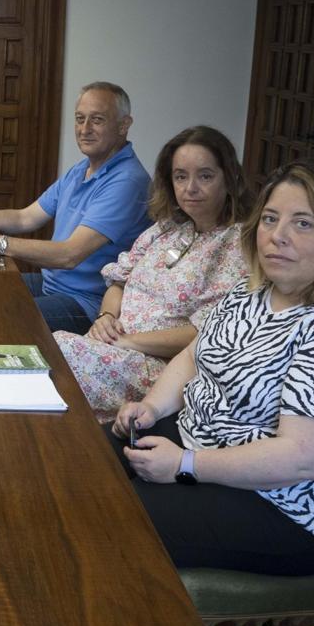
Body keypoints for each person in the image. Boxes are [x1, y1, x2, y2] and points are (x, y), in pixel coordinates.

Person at [108, 158, 314, 574]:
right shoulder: (247, 296)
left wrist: (183, 466)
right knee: (85, 467)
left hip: (284, 503)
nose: (277, 237)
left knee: (118, 522)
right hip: (197, 442)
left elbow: (304, 458)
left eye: (303, 223)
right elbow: (193, 356)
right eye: (270, 218)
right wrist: (152, 408)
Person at [55, 126, 251, 420]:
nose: (190, 188)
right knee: (47, 354)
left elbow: (207, 333)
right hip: (113, 345)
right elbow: (118, 281)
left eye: (205, 176)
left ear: (230, 178)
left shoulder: (237, 245)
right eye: (180, 176)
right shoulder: (166, 228)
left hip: (161, 367)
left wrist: (130, 342)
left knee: (55, 353)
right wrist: (106, 317)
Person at [0, 81, 151, 334]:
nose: (84, 129)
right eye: (80, 119)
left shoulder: (127, 181)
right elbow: (26, 217)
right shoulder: (82, 169)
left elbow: (70, 255)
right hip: (51, 285)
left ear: (124, 125)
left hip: (86, 303)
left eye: (97, 120)